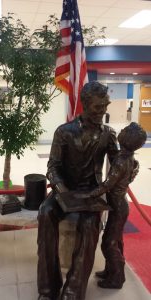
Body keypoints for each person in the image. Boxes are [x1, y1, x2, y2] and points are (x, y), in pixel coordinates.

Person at [37, 80, 119, 300]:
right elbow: (52, 167)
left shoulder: (109, 135)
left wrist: (125, 169)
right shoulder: (64, 132)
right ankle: (48, 287)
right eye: (97, 107)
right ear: (85, 104)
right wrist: (63, 192)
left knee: (90, 223)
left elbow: (117, 167)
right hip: (63, 191)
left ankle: (73, 290)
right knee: (45, 213)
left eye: (105, 106)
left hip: (91, 193)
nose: (102, 111)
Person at [87, 122, 146, 289]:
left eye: (126, 130)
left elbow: (108, 184)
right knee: (116, 240)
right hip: (120, 204)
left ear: (127, 139)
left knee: (108, 242)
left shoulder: (121, 160)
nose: (122, 130)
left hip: (118, 207)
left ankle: (117, 277)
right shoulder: (128, 157)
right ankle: (110, 270)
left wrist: (91, 193)